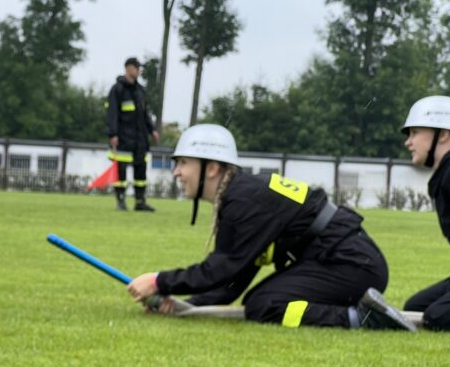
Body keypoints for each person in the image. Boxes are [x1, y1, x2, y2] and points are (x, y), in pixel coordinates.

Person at [126, 123, 416, 331]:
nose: (176, 171)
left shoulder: (241, 202)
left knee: (264, 305)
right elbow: (232, 280)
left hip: (351, 265)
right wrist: (182, 304)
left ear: (211, 168)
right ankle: (361, 314)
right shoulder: (242, 195)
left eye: (183, 163)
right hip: (349, 260)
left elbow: (222, 268)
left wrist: (158, 281)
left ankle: (361, 320)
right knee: (259, 301)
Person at [401, 95, 450, 331]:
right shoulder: (448, 172)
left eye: (414, 132)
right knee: (416, 306)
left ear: (443, 134)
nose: (408, 142)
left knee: (437, 317)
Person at [105, 57, 160, 212]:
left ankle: (140, 202)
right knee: (121, 171)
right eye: (136, 67)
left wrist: (152, 130)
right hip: (123, 137)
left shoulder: (140, 91)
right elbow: (112, 113)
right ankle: (121, 201)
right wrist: (113, 134)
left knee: (140, 171)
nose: (138, 70)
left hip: (140, 138)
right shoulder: (117, 89)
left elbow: (145, 114)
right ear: (128, 68)